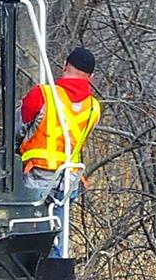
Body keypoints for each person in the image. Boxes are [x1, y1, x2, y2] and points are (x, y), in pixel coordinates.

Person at [19, 46, 100, 206]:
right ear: (91, 77)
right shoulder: (94, 108)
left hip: (36, 178)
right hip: (69, 183)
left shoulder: (41, 95)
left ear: (64, 65)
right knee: (58, 228)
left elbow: (17, 130)